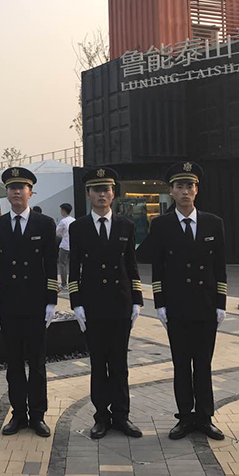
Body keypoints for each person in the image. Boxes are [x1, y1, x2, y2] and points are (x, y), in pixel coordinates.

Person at [148, 162, 226, 441]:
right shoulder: (161, 225)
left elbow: (220, 267)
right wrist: (160, 303)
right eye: (179, 186)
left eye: (190, 186)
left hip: (205, 304)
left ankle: (205, 417)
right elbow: (157, 267)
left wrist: (221, 303)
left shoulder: (213, 222)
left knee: (203, 365)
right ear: (171, 191)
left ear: (197, 190)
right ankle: (184, 416)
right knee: (181, 365)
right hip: (177, 305)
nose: (185, 191)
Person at [69, 167, 143, 439]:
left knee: (119, 364)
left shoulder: (126, 225)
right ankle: (101, 416)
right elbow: (74, 267)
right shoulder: (78, 227)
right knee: (98, 364)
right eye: (97, 190)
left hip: (120, 303)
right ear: (88, 194)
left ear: (113, 194)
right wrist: (76, 303)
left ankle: (122, 416)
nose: (102, 195)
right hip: (93, 305)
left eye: (107, 190)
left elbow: (131, 265)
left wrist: (137, 300)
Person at [0, 167, 57, 438]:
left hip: (36, 303)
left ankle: (38, 415)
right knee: (14, 364)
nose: (16, 192)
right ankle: (18, 414)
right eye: (12, 188)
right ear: (7, 193)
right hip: (9, 304)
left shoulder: (45, 224)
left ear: (30, 192)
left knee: (37, 363)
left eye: (21, 188)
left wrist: (51, 300)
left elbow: (51, 264)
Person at [55, 203, 74, 292]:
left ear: (63, 210)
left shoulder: (63, 221)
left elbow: (57, 232)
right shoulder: (74, 220)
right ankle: (73, 282)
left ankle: (64, 283)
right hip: (73, 245)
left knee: (63, 264)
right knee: (73, 264)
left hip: (64, 245)